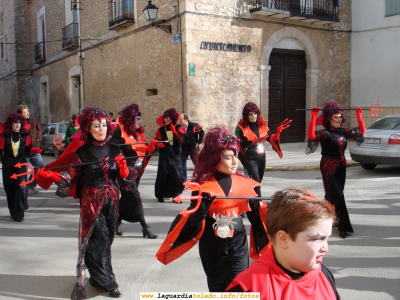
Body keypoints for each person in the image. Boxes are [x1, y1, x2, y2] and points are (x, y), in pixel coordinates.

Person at [37, 107, 137, 299]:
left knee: (107, 241)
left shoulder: (115, 149)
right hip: (92, 202)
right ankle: (109, 281)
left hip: (112, 201)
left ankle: (97, 275)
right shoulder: (82, 153)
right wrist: (54, 176)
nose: (101, 129)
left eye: (104, 125)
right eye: (96, 126)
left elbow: (126, 178)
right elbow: (70, 175)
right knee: (101, 240)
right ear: (88, 129)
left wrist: (124, 168)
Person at [156, 126, 270, 292]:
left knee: (238, 289)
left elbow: (261, 218)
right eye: (228, 157)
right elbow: (191, 224)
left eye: (236, 156)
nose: (235, 162)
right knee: (217, 291)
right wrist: (200, 212)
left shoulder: (246, 185)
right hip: (212, 251)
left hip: (237, 248)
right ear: (216, 158)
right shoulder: (201, 187)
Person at [227, 187, 341, 300]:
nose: (325, 248)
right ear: (283, 239)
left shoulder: (323, 274)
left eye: (326, 239)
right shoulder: (248, 287)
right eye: (317, 239)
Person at [306, 102, 365, 239]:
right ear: (329, 119)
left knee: (332, 196)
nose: (339, 119)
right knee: (338, 195)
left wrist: (359, 116)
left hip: (341, 166)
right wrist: (314, 117)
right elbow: (312, 136)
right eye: (335, 117)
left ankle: (327, 219)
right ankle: (343, 226)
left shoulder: (343, 132)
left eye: (340, 117)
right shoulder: (324, 133)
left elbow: (361, 132)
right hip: (328, 166)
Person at [110, 103, 157, 238]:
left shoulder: (139, 134)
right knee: (136, 199)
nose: (140, 121)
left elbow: (144, 153)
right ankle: (145, 227)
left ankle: (116, 222)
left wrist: (153, 147)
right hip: (125, 174)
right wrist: (119, 160)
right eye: (137, 119)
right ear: (130, 120)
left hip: (136, 173)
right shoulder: (119, 133)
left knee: (126, 199)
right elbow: (111, 151)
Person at [235, 102, 291, 196]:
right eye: (251, 114)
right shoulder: (242, 128)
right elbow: (239, 143)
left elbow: (271, 138)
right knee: (255, 181)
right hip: (250, 157)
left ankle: (253, 201)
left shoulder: (262, 126)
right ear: (246, 116)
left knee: (258, 180)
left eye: (255, 113)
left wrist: (277, 133)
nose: (254, 116)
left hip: (261, 156)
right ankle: (257, 204)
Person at [0, 113, 43, 222]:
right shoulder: (3, 137)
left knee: (21, 187)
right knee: (9, 189)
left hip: (21, 163)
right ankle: (13, 211)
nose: (17, 125)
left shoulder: (25, 136)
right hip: (8, 164)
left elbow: (28, 148)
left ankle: (20, 211)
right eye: (15, 122)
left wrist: (35, 150)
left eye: (19, 123)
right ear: (10, 124)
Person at [154, 108, 186, 202]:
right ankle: (161, 195)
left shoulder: (179, 127)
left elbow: (182, 140)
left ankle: (176, 196)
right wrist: (157, 143)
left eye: (167, 118)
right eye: (164, 118)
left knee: (176, 175)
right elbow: (157, 140)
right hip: (164, 154)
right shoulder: (160, 130)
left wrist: (175, 132)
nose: (165, 120)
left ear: (172, 118)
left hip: (175, 154)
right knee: (163, 175)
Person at [17, 105, 43, 194]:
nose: (27, 113)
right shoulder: (17, 122)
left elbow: (39, 129)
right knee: (22, 170)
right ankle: (23, 188)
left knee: (40, 167)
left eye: (27, 111)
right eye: (25, 112)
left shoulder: (32, 119)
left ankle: (31, 184)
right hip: (24, 151)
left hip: (34, 149)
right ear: (20, 114)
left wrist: (38, 138)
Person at [178, 113, 205, 182]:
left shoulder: (194, 125)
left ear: (186, 119)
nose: (179, 121)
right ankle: (183, 179)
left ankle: (200, 177)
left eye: (181, 119)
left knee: (196, 163)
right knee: (182, 163)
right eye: (179, 119)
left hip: (193, 147)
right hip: (183, 147)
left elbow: (202, 132)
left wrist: (199, 142)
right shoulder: (178, 127)